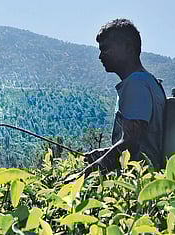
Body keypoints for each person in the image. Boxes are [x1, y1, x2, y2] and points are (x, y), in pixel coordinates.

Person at [66, 18, 166, 182]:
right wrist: (103, 153)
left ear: (128, 47)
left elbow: (130, 145)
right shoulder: (149, 81)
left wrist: (83, 176)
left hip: (140, 185)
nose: (100, 56)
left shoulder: (136, 84)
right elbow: (143, 140)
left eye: (106, 49)